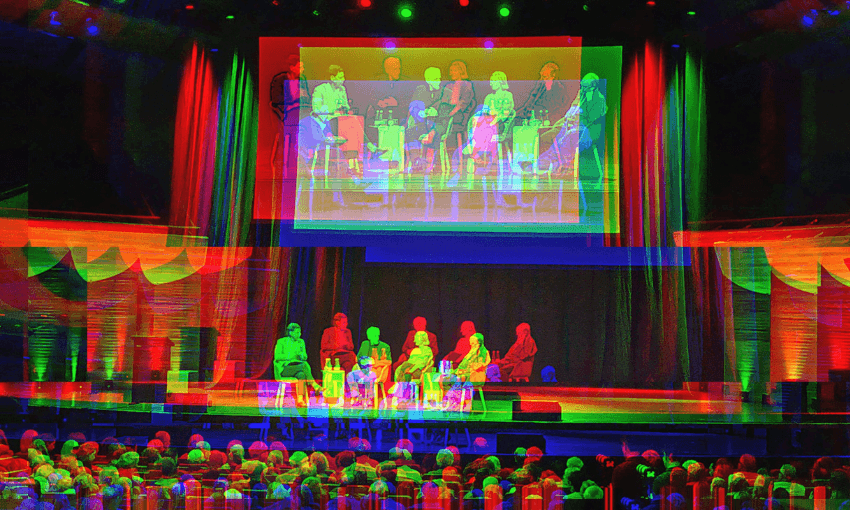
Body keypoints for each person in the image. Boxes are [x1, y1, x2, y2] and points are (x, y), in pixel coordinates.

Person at [273, 323, 323, 395]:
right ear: (290, 332)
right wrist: (291, 356)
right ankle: (314, 385)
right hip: (285, 368)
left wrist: (301, 355)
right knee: (304, 365)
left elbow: (305, 357)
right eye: (297, 332)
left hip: (298, 366)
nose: (299, 334)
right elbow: (277, 356)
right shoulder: (281, 342)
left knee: (301, 374)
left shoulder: (301, 342)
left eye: (300, 332)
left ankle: (300, 400)